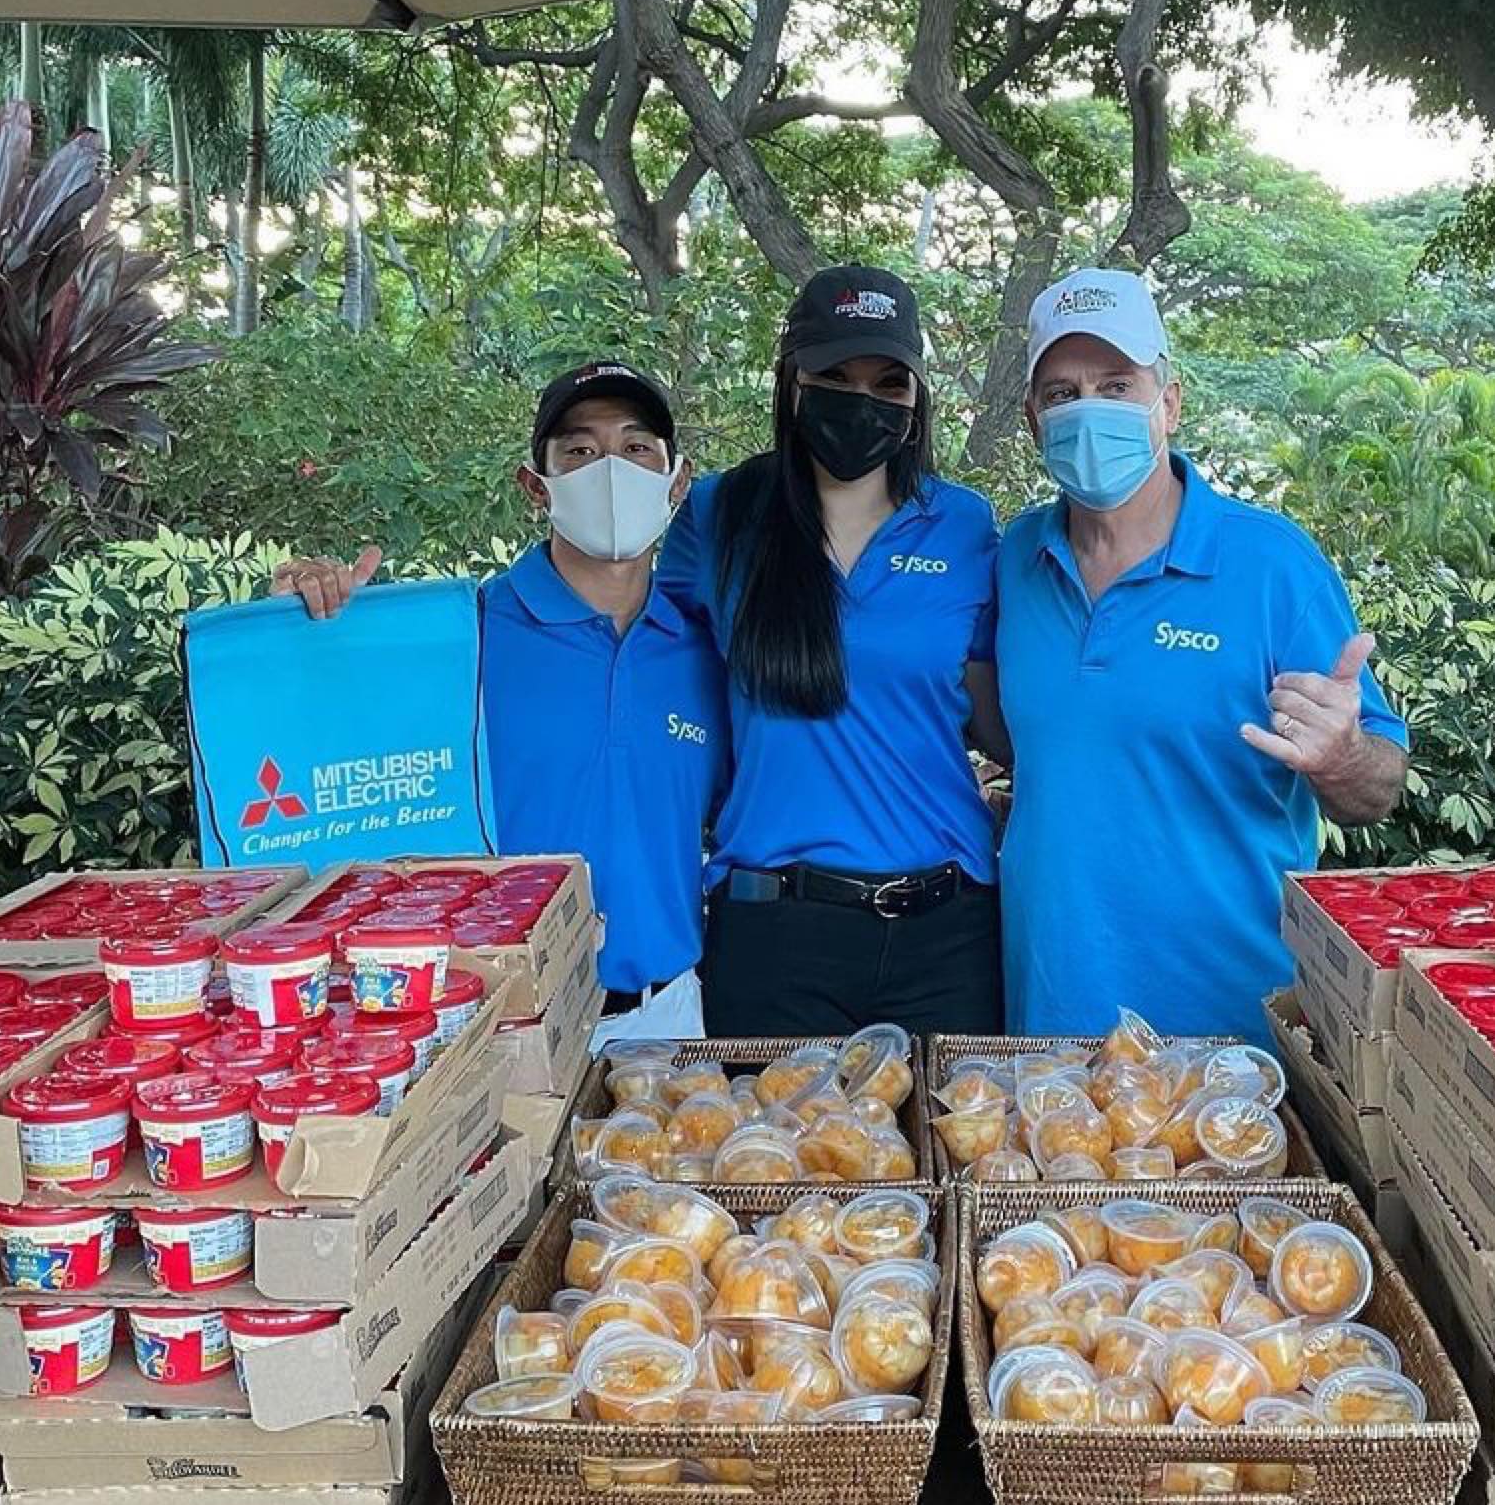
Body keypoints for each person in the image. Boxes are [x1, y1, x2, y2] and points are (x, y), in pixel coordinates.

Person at [995, 268, 1410, 1042]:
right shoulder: (1017, 559)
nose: (1090, 410)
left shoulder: (1273, 567)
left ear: (1169, 403)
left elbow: (1377, 789)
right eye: (1062, 393)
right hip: (1049, 1028)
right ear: (1032, 419)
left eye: (1117, 385)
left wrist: (1340, 754)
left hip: (1231, 1039)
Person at [271, 359, 727, 1020]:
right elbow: (333, 746)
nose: (610, 471)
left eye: (636, 448)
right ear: (535, 486)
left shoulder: (704, 648)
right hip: (497, 1015)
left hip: (666, 1016)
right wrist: (304, 629)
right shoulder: (464, 639)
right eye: (579, 450)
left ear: (676, 481)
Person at [657, 264, 1008, 1038]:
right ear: (792, 382)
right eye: (836, 375)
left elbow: (1003, 718)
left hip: (947, 932)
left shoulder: (965, 526)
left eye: (890, 381)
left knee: (963, 1158)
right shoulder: (722, 512)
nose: (863, 399)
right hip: (772, 931)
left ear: (918, 400)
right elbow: (626, 641)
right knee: (769, 1161)